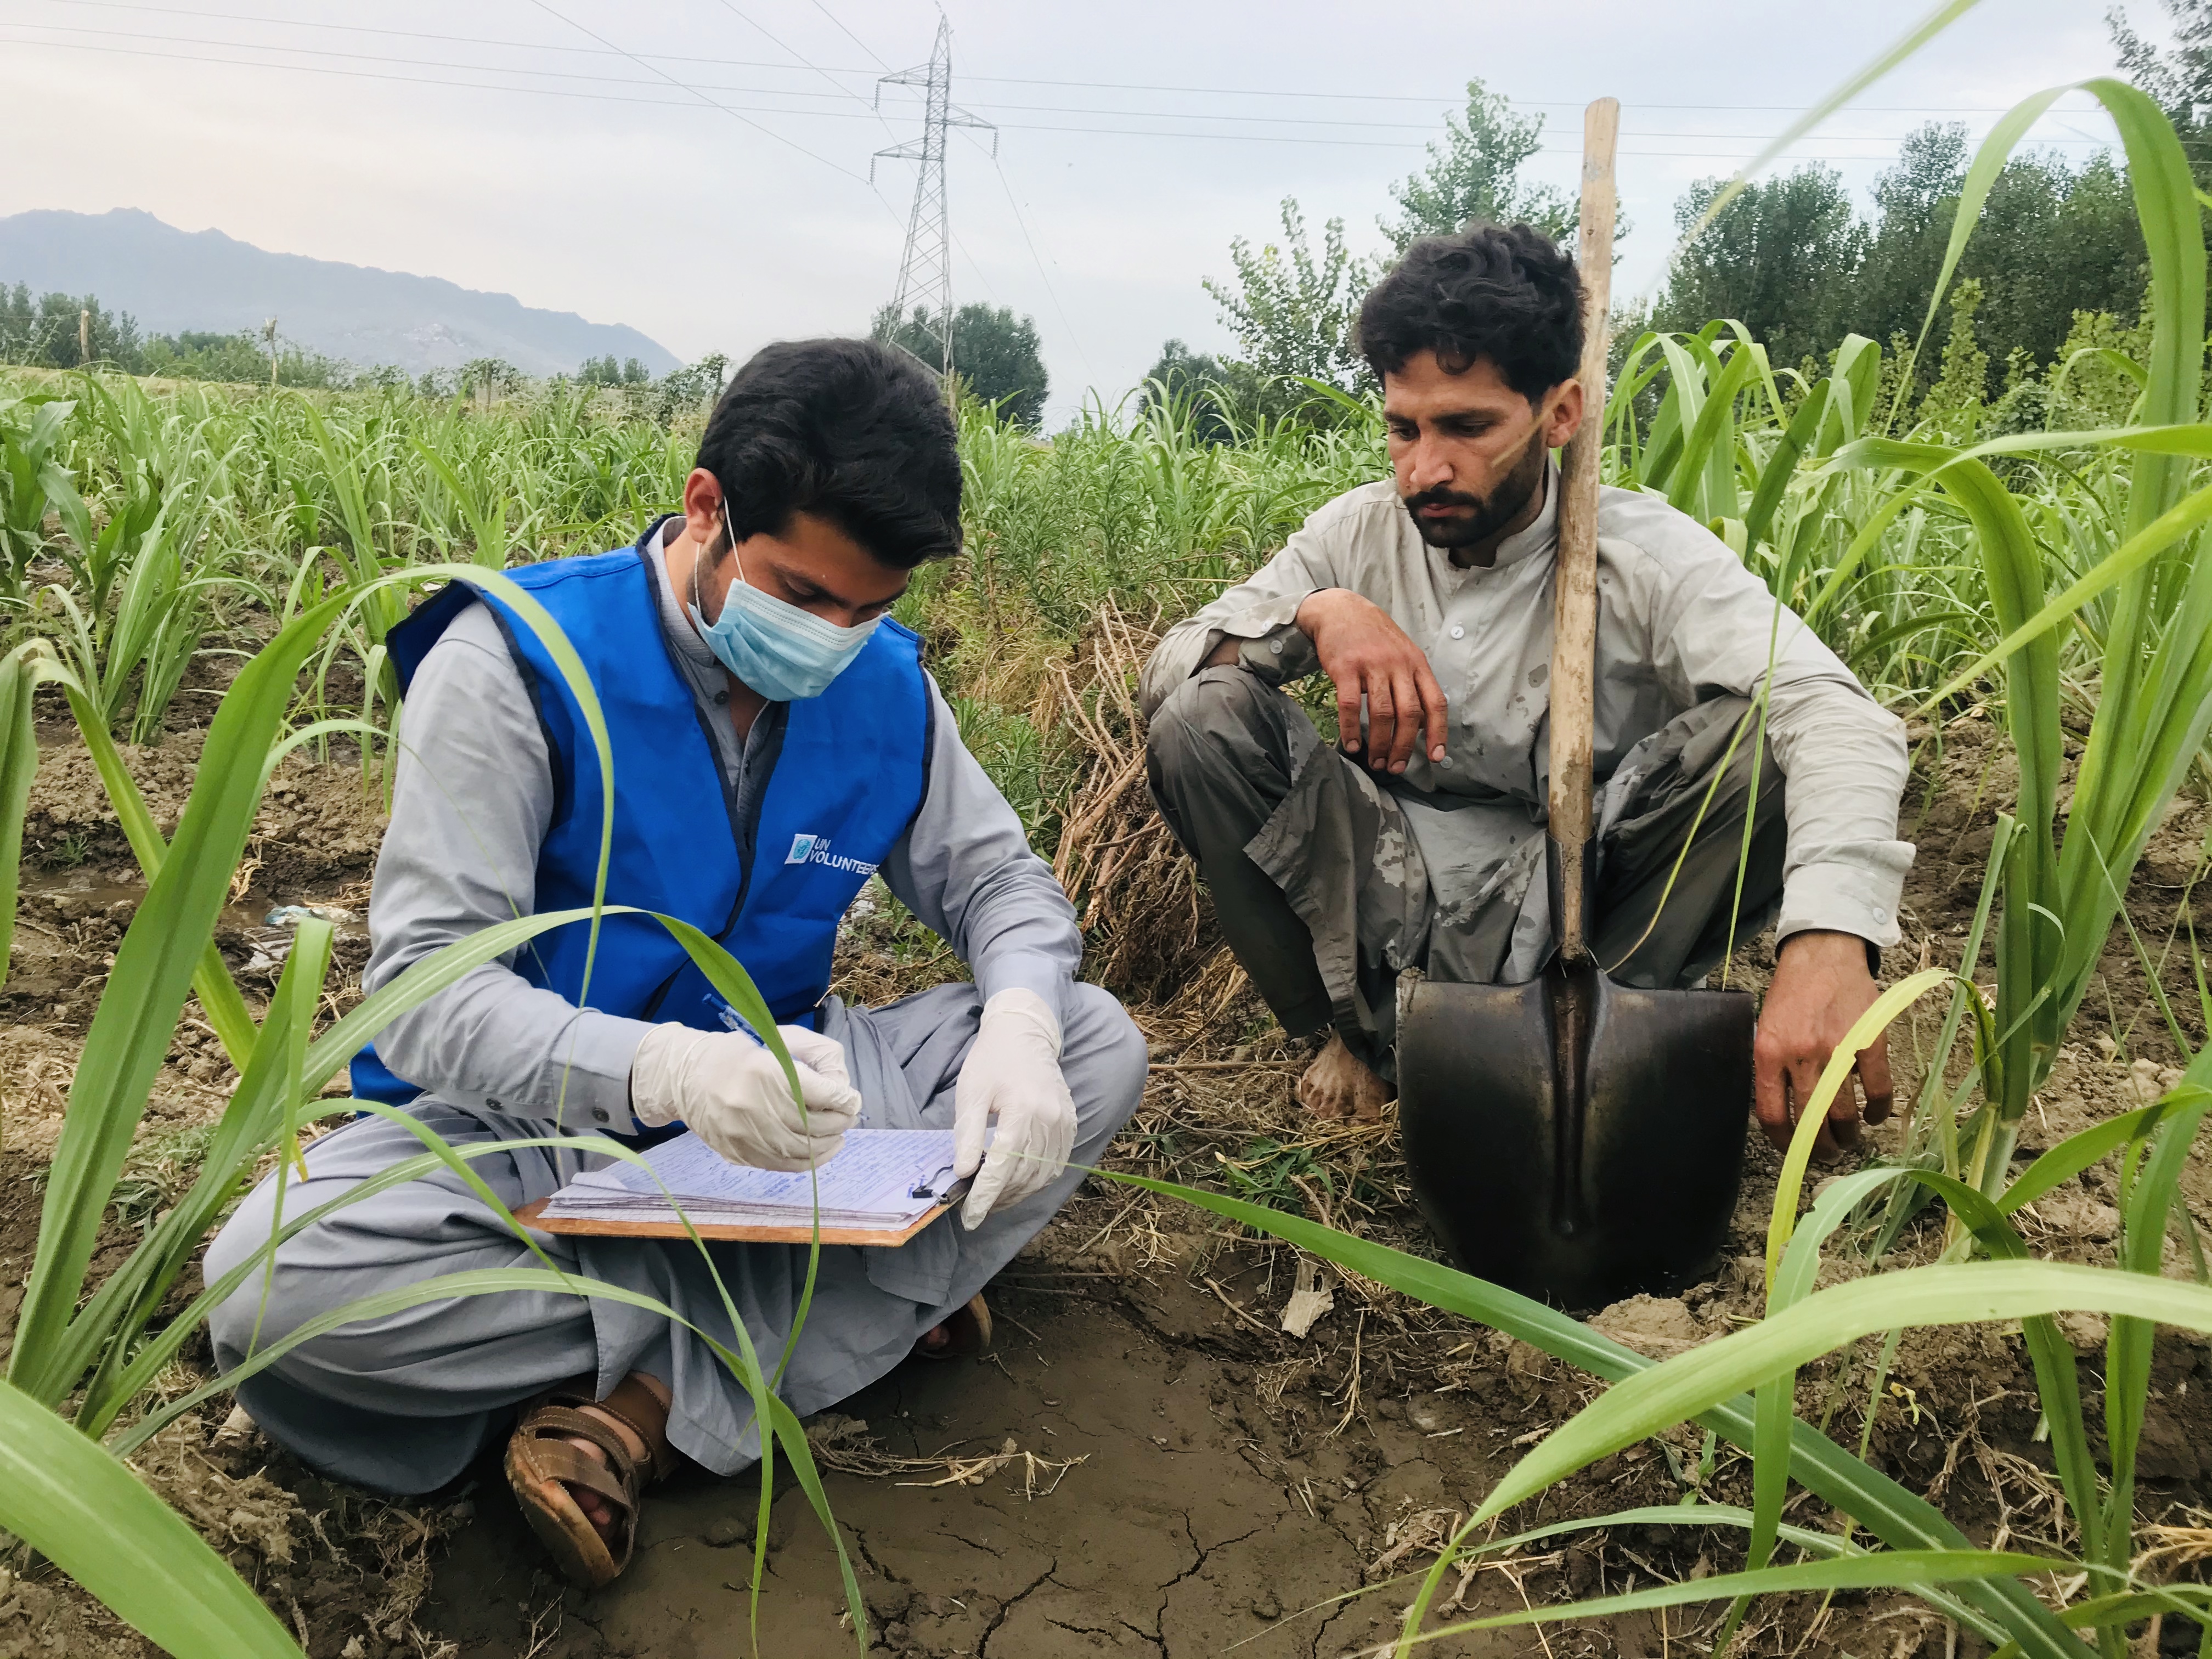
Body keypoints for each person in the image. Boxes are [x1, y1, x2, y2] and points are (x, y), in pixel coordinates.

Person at [205, 338, 1147, 1589]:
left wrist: (1022, 1026)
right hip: (526, 1124)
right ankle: (850, 1312)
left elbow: (999, 883)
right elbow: (431, 995)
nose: (836, 637)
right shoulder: (516, 660)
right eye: (805, 597)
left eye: (871, 611)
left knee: (1094, 1043)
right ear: (708, 506)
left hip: (796, 1112)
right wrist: (669, 1074)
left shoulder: (886, 690)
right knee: (280, 1293)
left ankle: (648, 1396)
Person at [1142, 223, 1912, 1153]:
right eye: (1403, 428)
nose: (1425, 468)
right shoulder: (1356, 537)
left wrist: (1830, 936)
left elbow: (1839, 714)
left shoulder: (1642, 555)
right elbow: (1170, 670)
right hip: (1390, 879)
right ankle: (1358, 1038)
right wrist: (1321, 612)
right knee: (1201, 718)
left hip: (1585, 888)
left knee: (1763, 750)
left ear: (1559, 415)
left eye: (1468, 428)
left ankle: (1582, 1033)